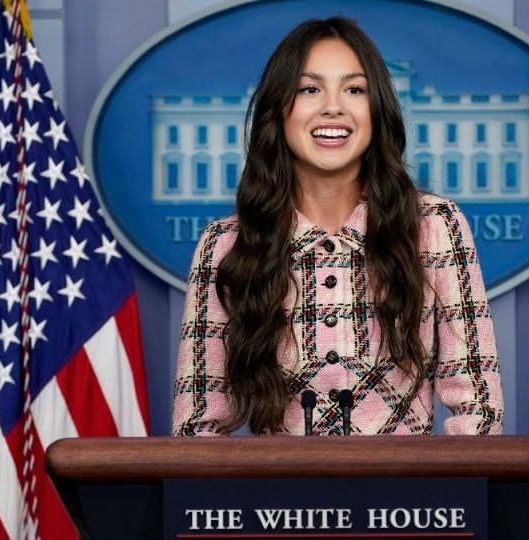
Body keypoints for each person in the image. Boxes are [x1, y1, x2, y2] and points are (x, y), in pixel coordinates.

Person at [171, 16, 503, 436]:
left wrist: (447, 494)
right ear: (279, 111)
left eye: (354, 89)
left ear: (377, 109)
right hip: (275, 497)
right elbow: (198, 423)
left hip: (407, 496)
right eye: (310, 89)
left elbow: (479, 407)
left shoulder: (435, 225)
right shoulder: (225, 244)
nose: (333, 106)